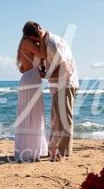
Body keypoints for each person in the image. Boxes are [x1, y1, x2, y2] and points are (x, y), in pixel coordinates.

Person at [22, 21, 78, 161]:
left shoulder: (52, 43)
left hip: (65, 83)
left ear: (32, 37)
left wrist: (46, 75)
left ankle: (63, 152)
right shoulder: (47, 42)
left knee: (64, 119)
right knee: (55, 119)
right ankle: (53, 149)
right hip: (57, 84)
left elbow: (64, 67)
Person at [14, 34, 48, 162]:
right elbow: (43, 55)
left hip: (34, 80)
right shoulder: (27, 42)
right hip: (30, 81)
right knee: (29, 115)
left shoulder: (30, 44)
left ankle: (34, 149)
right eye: (37, 33)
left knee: (36, 115)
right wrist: (42, 39)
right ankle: (28, 150)